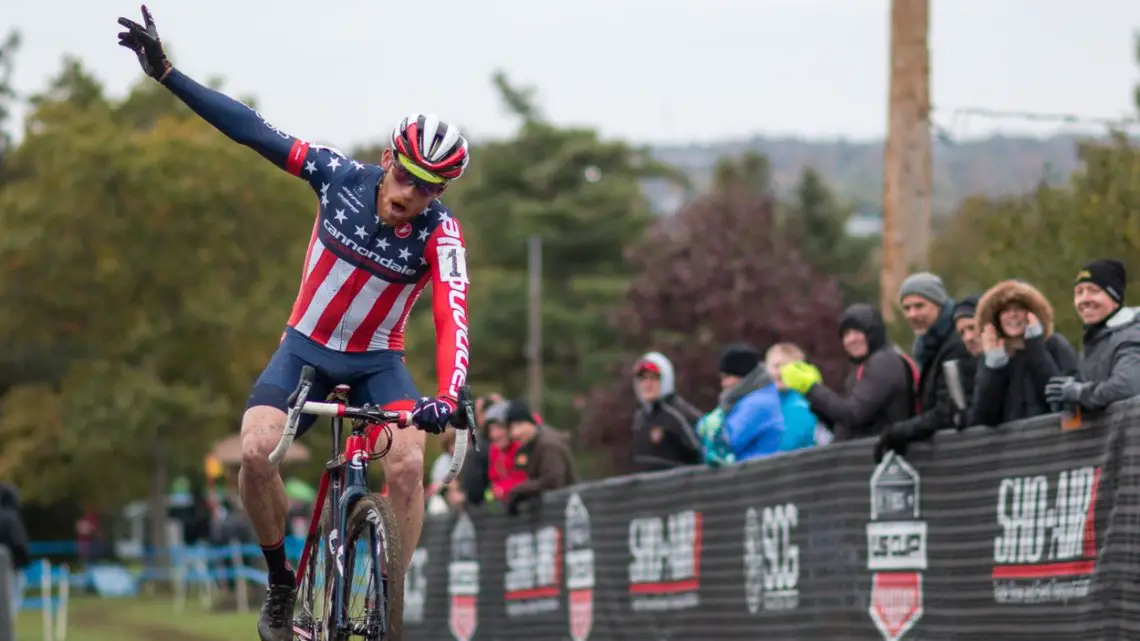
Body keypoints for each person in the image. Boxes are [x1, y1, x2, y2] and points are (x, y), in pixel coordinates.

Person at [117, 9, 472, 640]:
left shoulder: (440, 235)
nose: (409, 195)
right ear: (388, 159)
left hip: (378, 362)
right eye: (404, 177)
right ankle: (282, 583)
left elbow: (451, 313)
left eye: (427, 189)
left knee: (412, 465)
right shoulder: (337, 176)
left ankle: (388, 596)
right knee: (255, 453)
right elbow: (252, 131)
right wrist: (168, 74)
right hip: (305, 349)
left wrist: (448, 395)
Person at [780, 303, 918, 441]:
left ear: (873, 332)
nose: (851, 339)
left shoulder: (884, 362)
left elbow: (853, 415)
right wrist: (816, 400)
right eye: (846, 334)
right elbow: (844, 426)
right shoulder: (866, 366)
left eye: (857, 332)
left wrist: (811, 388)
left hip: (878, 457)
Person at [876, 272, 973, 461]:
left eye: (920, 306)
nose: (913, 314)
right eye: (907, 308)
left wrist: (900, 431)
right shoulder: (927, 348)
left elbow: (948, 411)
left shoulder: (956, 345)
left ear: (938, 304)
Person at [970, 279, 1079, 424]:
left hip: (1053, 440)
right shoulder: (991, 358)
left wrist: (1035, 347)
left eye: (1019, 308)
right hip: (1014, 445)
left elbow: (1063, 403)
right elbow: (983, 418)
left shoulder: (1055, 345)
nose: (1012, 315)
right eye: (1005, 310)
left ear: (1032, 313)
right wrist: (995, 367)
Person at [1046, 259, 1140, 413]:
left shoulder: (1132, 334)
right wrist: (1068, 399)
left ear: (1115, 299)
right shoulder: (1095, 339)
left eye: (1094, 290)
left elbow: (1127, 386)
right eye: (1079, 292)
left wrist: (1079, 393)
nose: (1084, 299)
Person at [696, 343, 784, 464]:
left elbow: (728, 442)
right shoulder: (752, 399)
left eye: (727, 377)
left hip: (757, 476)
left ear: (745, 376)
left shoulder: (758, 404)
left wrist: (709, 428)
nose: (723, 384)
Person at [630, 352, 705, 471]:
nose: (647, 384)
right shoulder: (640, 417)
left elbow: (703, 455)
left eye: (653, 378)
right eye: (642, 378)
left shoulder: (678, 414)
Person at [503, 401, 577, 515]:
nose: (514, 433)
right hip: (552, 512)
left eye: (518, 425)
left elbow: (552, 481)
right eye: (511, 429)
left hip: (565, 510)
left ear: (528, 422)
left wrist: (519, 491)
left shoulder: (549, 445)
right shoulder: (529, 447)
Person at [764, 343, 821, 452]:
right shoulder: (764, 401)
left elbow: (789, 443)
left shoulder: (801, 404)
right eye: (776, 366)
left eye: (786, 367)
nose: (780, 372)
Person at [0, 484, 29, 616]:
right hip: (11, 567)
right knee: (10, 607)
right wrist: (22, 562)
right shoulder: (12, 518)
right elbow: (19, 544)